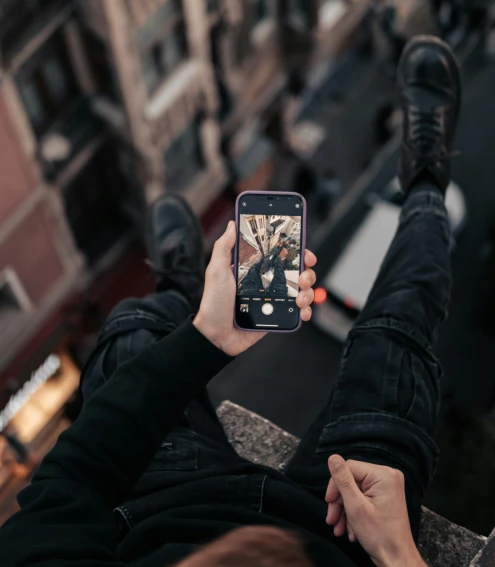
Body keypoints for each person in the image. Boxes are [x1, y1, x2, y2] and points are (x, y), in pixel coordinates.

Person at [0, 35, 461, 567]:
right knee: (399, 324)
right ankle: (427, 177)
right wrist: (400, 555)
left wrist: (206, 337)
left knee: (130, 332)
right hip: (344, 528)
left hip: (169, 502)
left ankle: (177, 291)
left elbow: (73, 477)